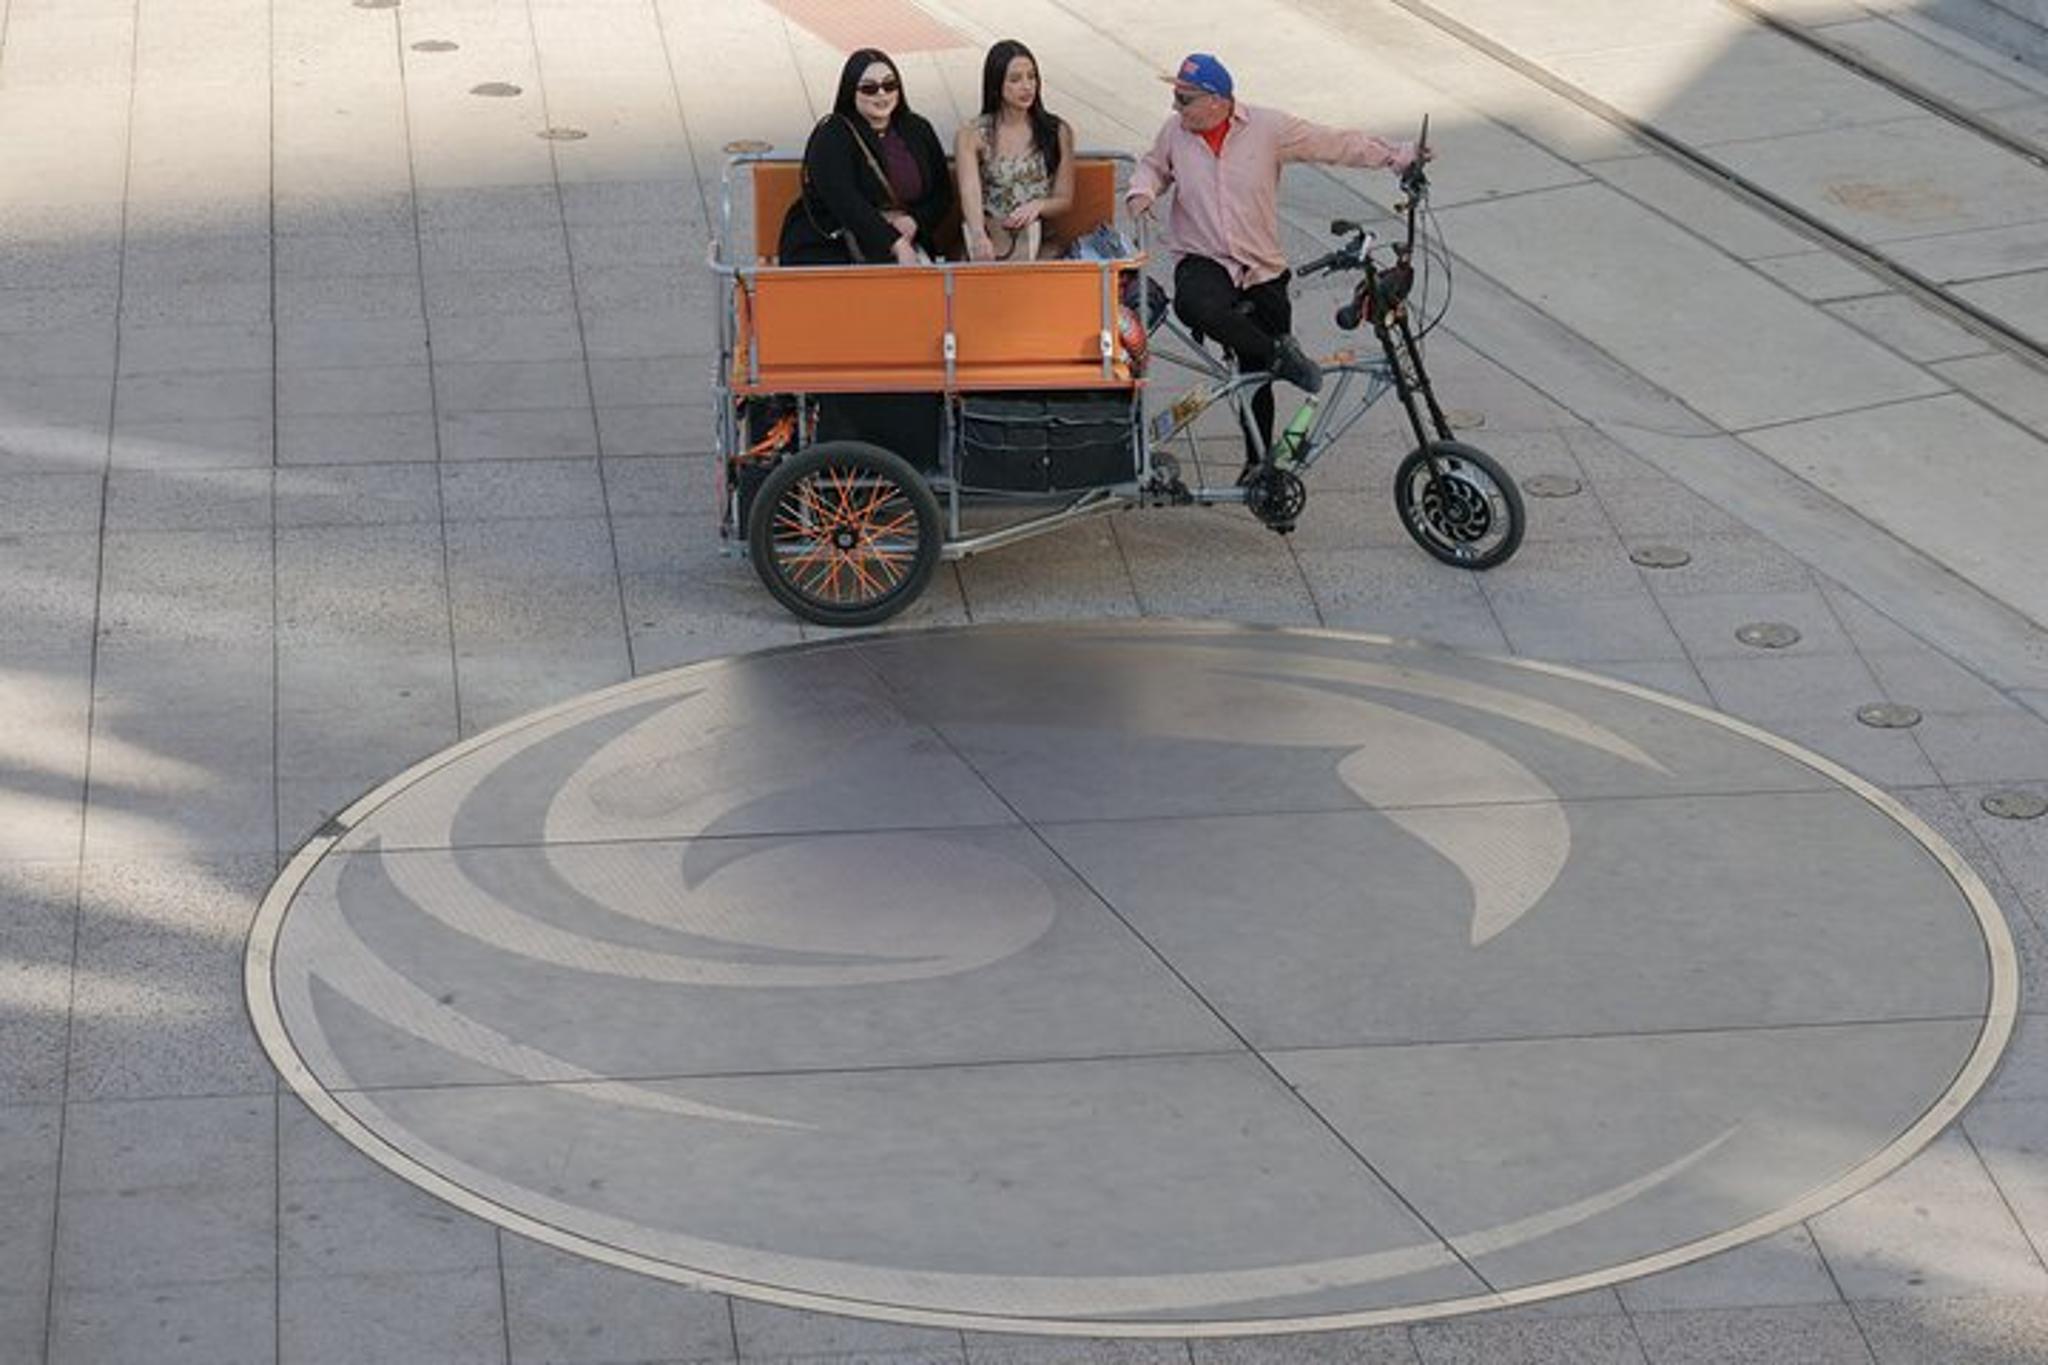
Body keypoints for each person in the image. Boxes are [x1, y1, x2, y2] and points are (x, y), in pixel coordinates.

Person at [1127, 53, 1422, 478]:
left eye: (1184, 99)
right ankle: (1281, 357)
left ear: (1217, 100)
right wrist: (1142, 191)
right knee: (1196, 307)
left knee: (1256, 376)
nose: (1176, 107)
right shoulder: (1175, 132)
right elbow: (1153, 166)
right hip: (1204, 258)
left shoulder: (1268, 129)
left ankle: (1257, 463)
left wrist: (1398, 156)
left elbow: (1334, 143)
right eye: (1175, 97)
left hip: (1260, 266)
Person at [779, 49, 955, 266]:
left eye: (890, 85)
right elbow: (846, 202)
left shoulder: (917, 128)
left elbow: (942, 193)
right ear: (851, 91)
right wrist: (895, 243)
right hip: (834, 247)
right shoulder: (833, 134)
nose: (882, 94)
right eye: (869, 88)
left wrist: (915, 221)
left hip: (905, 243)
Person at [955, 39, 1076, 262]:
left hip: (1038, 236)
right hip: (991, 235)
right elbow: (969, 191)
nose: (1027, 86)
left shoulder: (1056, 130)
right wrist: (979, 234)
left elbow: (1064, 198)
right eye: (1015, 79)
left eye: (1032, 77)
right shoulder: (972, 134)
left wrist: (1038, 206)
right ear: (996, 84)